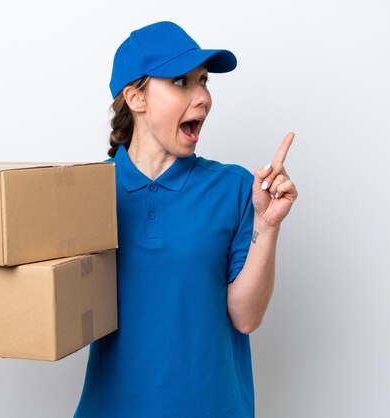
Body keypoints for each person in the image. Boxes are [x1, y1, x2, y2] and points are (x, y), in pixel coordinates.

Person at [74, 21, 298, 418]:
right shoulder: (85, 193)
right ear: (136, 98)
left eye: (204, 81)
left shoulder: (236, 188)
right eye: (181, 82)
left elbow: (246, 318)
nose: (203, 98)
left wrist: (267, 225)